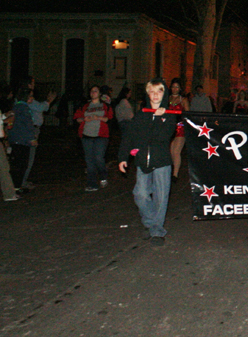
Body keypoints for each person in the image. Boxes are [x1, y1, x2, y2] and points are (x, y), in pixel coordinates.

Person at [118, 78, 178, 246]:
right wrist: (123, 157)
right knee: (140, 194)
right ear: (147, 94)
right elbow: (129, 136)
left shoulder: (169, 115)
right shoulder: (141, 115)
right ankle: (151, 222)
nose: (155, 95)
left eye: (159, 91)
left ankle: (157, 231)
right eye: (152, 91)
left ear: (164, 94)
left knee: (161, 197)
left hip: (162, 161)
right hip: (143, 161)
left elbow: (162, 137)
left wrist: (159, 117)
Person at [74, 85, 114, 192]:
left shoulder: (105, 106)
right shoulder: (85, 106)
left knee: (99, 158)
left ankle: (103, 176)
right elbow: (77, 118)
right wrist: (84, 119)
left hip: (101, 136)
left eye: (95, 91)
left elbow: (109, 118)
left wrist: (98, 117)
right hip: (86, 135)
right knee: (89, 160)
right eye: (91, 91)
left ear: (100, 93)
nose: (93, 93)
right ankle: (92, 184)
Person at [21, 77, 57, 189]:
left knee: (27, 157)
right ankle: (21, 182)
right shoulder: (26, 98)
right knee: (28, 158)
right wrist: (49, 100)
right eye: (32, 83)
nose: (34, 86)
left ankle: (22, 181)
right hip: (30, 130)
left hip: (30, 129)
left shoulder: (26, 98)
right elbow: (40, 107)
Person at [7, 88, 37, 196]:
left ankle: (16, 187)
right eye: (31, 96)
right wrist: (32, 138)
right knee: (21, 165)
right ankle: (16, 187)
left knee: (17, 164)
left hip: (15, 139)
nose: (32, 98)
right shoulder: (24, 108)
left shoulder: (16, 107)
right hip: (22, 140)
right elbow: (28, 124)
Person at [168, 78, 189, 183]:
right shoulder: (167, 98)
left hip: (180, 127)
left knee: (176, 151)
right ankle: (172, 170)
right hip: (169, 127)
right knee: (171, 151)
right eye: (173, 87)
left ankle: (175, 174)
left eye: (177, 87)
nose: (175, 89)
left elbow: (188, 114)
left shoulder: (183, 100)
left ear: (180, 88)